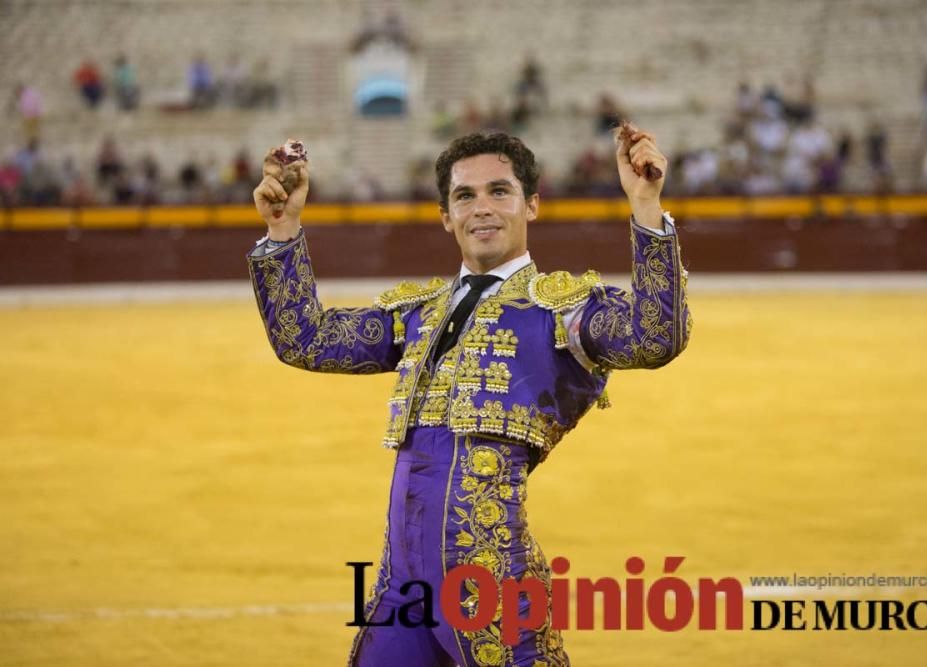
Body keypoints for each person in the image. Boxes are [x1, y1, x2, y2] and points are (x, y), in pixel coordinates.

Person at [247, 128, 692, 666]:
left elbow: (654, 337)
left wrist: (645, 207)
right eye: (465, 196)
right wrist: (283, 226)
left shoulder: (563, 311)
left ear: (531, 205)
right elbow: (306, 338)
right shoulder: (420, 313)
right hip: (401, 579)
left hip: (490, 571)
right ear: (445, 215)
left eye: (499, 192)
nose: (482, 208)